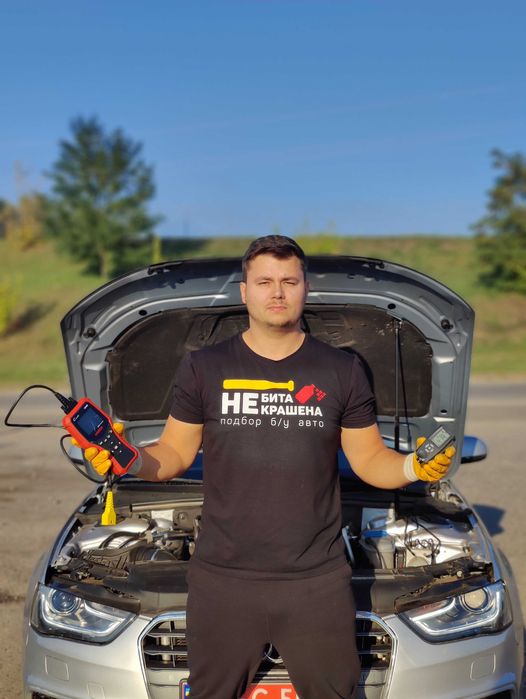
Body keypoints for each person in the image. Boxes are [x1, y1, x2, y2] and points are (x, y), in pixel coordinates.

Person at [86, 235, 455, 699]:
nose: (277, 292)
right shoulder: (204, 367)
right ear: (245, 291)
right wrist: (127, 457)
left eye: (288, 281)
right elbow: (174, 454)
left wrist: (415, 468)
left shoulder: (341, 370)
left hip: (316, 582)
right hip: (223, 580)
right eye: (264, 282)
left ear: (305, 289)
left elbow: (369, 460)